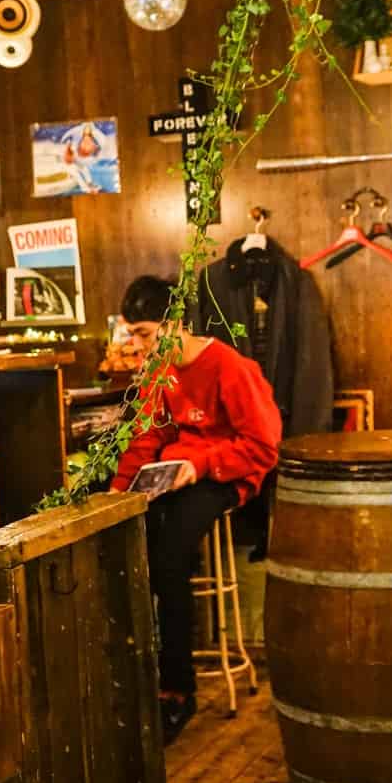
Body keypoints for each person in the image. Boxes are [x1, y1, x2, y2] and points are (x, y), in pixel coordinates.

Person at [110, 275, 282, 743]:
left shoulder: (229, 366)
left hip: (226, 475)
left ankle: (177, 690)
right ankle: (132, 678)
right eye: (134, 336)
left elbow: (264, 445)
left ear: (176, 324)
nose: (140, 346)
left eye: (145, 334)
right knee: (129, 544)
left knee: (170, 556)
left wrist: (201, 464)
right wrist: (117, 496)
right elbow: (146, 437)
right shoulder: (157, 371)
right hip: (174, 475)